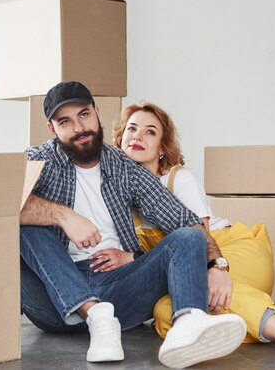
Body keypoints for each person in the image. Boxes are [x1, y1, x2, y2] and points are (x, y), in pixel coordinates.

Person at [19, 81, 248, 369]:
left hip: (119, 291)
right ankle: (94, 314)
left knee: (189, 236)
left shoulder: (124, 167)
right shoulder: (39, 160)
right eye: (65, 121)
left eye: (84, 114)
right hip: (53, 300)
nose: (79, 127)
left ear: (97, 113)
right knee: (23, 221)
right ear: (52, 129)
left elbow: (184, 220)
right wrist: (63, 216)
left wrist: (217, 266)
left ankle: (187, 325)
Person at [113, 102, 275, 362]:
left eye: (150, 132)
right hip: (192, 272)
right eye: (131, 129)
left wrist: (217, 268)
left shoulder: (177, 179)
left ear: (162, 148)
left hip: (230, 253)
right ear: (121, 137)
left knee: (200, 293)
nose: (137, 136)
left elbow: (198, 238)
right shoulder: (117, 193)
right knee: (165, 313)